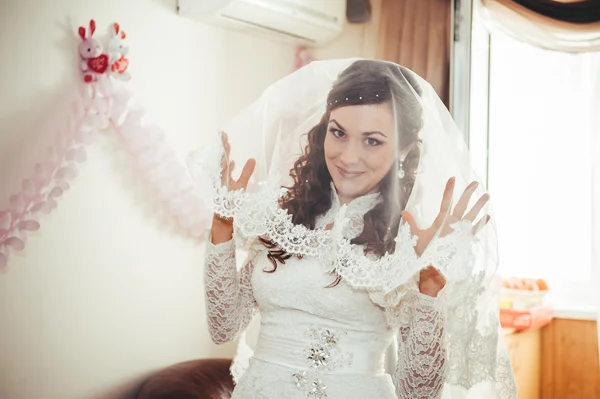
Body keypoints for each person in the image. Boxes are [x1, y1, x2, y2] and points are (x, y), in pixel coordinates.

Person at [189, 59, 517, 398]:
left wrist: (429, 287)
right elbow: (223, 326)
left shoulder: (415, 241)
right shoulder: (284, 218)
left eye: (372, 141)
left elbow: (417, 393)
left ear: (403, 149)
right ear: (324, 129)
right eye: (339, 133)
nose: (348, 156)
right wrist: (221, 226)